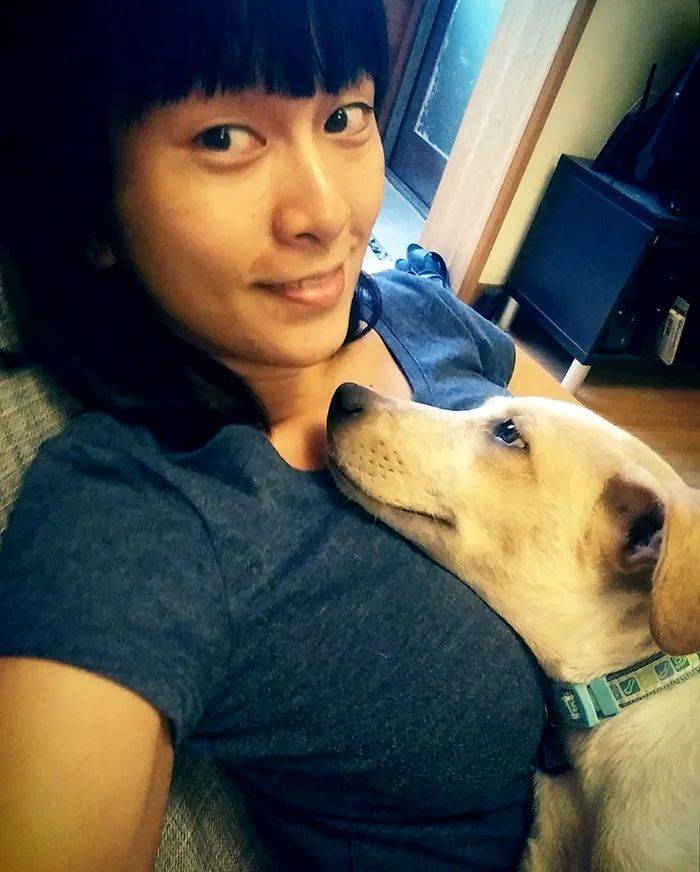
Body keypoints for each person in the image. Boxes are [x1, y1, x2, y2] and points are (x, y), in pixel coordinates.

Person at [0, 1, 577, 869]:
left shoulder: (418, 309)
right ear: (89, 212)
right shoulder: (150, 512)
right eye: (225, 138)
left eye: (344, 117)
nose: (328, 214)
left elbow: (620, 479)